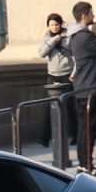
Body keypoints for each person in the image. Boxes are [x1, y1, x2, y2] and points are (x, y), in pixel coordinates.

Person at [59, 0, 96, 171]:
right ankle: (86, 164)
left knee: (86, 128)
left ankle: (85, 163)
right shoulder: (83, 37)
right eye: (91, 13)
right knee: (89, 129)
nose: (94, 16)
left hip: (84, 86)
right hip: (89, 87)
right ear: (84, 16)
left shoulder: (78, 35)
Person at [38, 12, 73, 165]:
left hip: (67, 74)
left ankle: (74, 135)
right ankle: (45, 137)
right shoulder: (47, 38)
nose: (54, 27)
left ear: (61, 24)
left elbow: (72, 51)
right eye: (51, 25)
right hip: (53, 75)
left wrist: (61, 39)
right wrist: (53, 40)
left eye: (56, 25)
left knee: (71, 106)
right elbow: (42, 53)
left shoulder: (67, 36)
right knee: (50, 107)